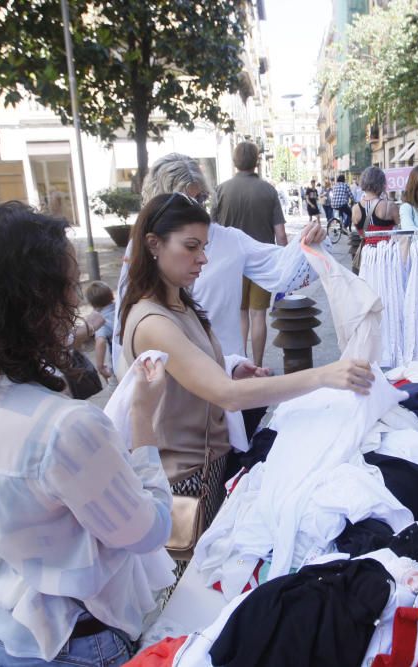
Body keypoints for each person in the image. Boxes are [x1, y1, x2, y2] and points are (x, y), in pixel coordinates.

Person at [0, 201, 175, 666]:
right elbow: (147, 531)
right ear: (37, 305)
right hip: (76, 642)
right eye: (69, 288)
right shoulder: (66, 429)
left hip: (5, 631)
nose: (74, 302)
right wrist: (143, 419)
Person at [119, 192, 374, 576]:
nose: (202, 258)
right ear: (154, 245)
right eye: (191, 247)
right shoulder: (152, 320)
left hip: (208, 468)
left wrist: (233, 366)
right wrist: (323, 375)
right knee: (190, 597)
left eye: (203, 247)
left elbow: (206, 375)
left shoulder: (180, 304)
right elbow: (226, 396)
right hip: (185, 483)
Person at [115, 152, 327, 441]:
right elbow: (126, 331)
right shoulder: (148, 301)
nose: (201, 259)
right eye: (181, 202)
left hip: (222, 393)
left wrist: (309, 245)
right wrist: (325, 377)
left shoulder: (223, 245)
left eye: (199, 200)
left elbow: (282, 267)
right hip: (180, 413)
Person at [212, 142, 289, 368]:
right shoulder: (268, 190)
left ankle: (240, 363)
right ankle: (257, 364)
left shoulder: (221, 190)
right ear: (256, 161)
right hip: (262, 263)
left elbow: (210, 230)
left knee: (239, 315)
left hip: (230, 263)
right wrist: (283, 264)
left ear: (235, 161)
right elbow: (281, 235)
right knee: (258, 315)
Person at [351, 166, 400, 248]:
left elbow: (361, 234)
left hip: (367, 255)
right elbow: (402, 229)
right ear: (382, 183)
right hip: (387, 253)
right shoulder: (390, 206)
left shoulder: (355, 209)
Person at [86, 281, 117, 382]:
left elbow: (100, 342)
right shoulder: (121, 308)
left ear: (92, 303)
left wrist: (100, 366)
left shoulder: (101, 320)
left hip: (117, 363)